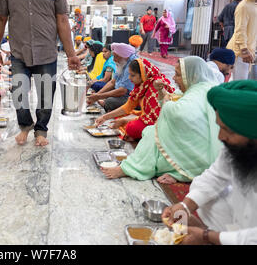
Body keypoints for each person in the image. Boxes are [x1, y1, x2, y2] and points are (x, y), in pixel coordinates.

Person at [0, 0, 81, 147]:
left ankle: (41, 130)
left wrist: (71, 54)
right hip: (19, 53)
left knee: (45, 96)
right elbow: (0, 20)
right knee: (19, 94)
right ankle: (25, 127)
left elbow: (63, 22)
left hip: (46, 53)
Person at [162, 80, 257, 245]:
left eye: (228, 130)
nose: (220, 137)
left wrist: (206, 236)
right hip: (244, 219)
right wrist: (185, 206)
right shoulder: (240, 147)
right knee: (210, 197)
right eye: (219, 127)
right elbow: (216, 176)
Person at [100, 56, 223, 184]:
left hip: (198, 153)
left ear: (192, 75)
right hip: (195, 143)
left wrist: (166, 103)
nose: (174, 78)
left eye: (178, 75)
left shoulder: (198, 90)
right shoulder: (199, 87)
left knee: (151, 134)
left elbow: (176, 113)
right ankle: (165, 169)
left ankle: (132, 168)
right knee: (147, 131)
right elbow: (134, 106)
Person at [95, 58, 175, 140]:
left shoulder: (155, 86)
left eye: (133, 75)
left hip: (158, 123)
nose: (129, 78)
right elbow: (127, 107)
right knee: (120, 118)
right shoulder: (141, 86)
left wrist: (126, 120)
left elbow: (155, 118)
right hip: (146, 117)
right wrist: (104, 117)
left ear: (143, 74)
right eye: (129, 74)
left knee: (131, 128)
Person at [87, 43, 137, 113]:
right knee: (106, 95)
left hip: (134, 97)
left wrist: (99, 96)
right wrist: (97, 94)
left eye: (116, 57)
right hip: (122, 92)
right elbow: (112, 82)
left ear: (124, 56)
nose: (114, 60)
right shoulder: (122, 63)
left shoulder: (131, 65)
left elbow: (123, 90)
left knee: (109, 102)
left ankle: (108, 105)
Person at [227, 0, 257, 81]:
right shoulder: (243, 6)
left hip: (248, 51)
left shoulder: (253, 5)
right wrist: (244, 50)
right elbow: (240, 30)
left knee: (238, 81)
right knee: (239, 82)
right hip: (240, 52)